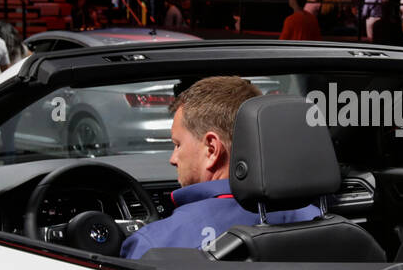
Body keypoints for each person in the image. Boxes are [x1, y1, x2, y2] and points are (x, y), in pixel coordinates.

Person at [119, 77, 320, 259]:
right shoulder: (322, 224)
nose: (173, 159)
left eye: (178, 144)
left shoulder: (153, 247)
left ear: (212, 149)